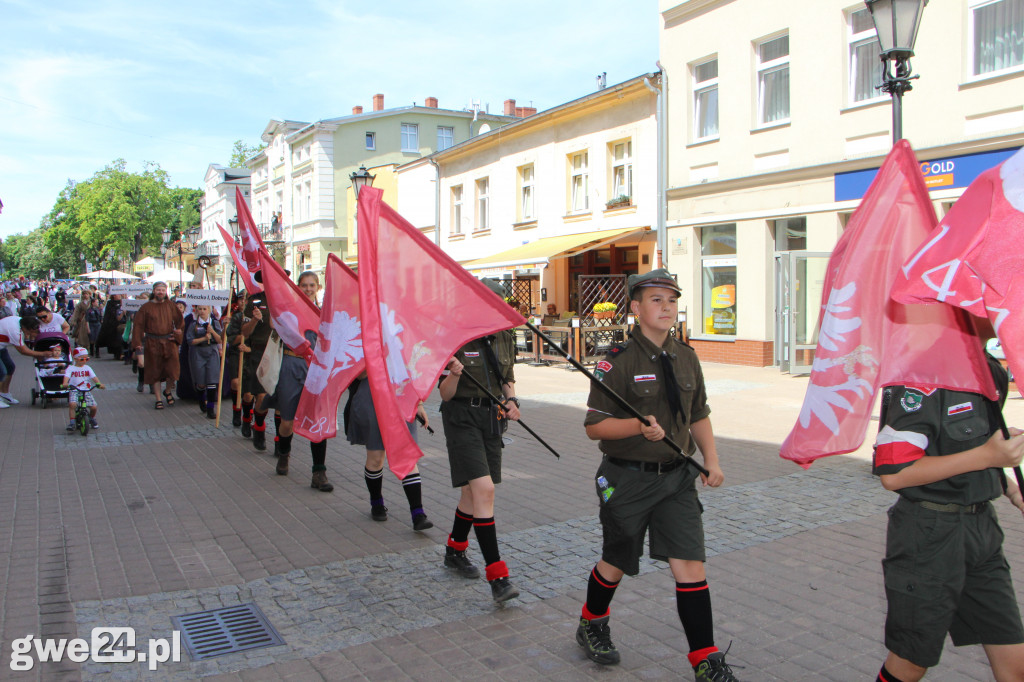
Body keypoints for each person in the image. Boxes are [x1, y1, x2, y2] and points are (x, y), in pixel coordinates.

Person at [574, 268, 737, 681]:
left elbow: (698, 414)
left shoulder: (686, 356)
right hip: (627, 478)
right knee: (616, 560)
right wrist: (636, 425)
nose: (666, 308)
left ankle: (705, 659)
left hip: (677, 477)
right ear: (635, 308)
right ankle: (592, 622)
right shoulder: (617, 363)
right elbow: (594, 427)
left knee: (690, 565)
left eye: (671, 300)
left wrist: (712, 460)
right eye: (656, 300)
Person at [872, 342, 1024, 682]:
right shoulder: (920, 373)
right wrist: (988, 457)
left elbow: (979, 443)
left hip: (982, 528)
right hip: (928, 535)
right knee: (910, 662)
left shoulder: (989, 367)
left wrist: (1010, 487)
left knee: (1016, 663)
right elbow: (894, 474)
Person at [437, 277, 522, 603]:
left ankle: (454, 551)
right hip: (461, 419)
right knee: (484, 489)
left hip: (491, 419)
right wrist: (455, 373)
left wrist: (512, 401)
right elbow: (444, 394)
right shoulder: (455, 338)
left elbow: (508, 377)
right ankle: (498, 577)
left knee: (472, 494)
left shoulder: (504, 335)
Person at [264, 271, 334, 492]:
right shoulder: (288, 310)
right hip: (291, 364)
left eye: (312, 285)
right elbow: (274, 324)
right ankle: (284, 454)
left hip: (316, 370)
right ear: (298, 287)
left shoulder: (325, 313)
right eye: (304, 285)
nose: (308, 289)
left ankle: (318, 472)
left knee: (317, 421)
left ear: (318, 287)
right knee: (287, 422)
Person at [345, 375, 433, 530]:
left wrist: (419, 403)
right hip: (371, 394)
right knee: (376, 457)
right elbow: (355, 373)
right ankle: (376, 502)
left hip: (401, 395)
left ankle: (418, 513)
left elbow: (410, 367)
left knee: (407, 456)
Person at [131, 282, 184, 410]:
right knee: (155, 371)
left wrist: (177, 334)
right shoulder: (146, 307)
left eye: (163, 290)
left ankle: (167, 391)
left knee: (173, 370)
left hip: (169, 342)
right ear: (154, 291)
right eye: (158, 290)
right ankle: (158, 399)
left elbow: (180, 322)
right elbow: (138, 325)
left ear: (166, 291)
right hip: (152, 342)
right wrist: (137, 343)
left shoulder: (171, 306)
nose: (160, 292)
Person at [0, 315, 63, 408]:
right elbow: (23, 351)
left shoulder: (20, 321)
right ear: (27, 329)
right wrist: (42, 354)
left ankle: (4, 393)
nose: (33, 334)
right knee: (2, 372)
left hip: (1, 346)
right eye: (32, 332)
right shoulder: (15, 331)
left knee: (10, 367)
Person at [239, 290, 273, 449]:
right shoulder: (255, 301)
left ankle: (281, 442)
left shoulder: (290, 297)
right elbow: (244, 332)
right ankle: (254, 423)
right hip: (257, 353)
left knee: (273, 397)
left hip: (280, 352)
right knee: (256, 395)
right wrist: (254, 319)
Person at [186, 304, 223, 419]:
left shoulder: (214, 322)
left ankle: (211, 408)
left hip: (211, 352)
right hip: (198, 352)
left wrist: (212, 332)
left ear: (209, 310)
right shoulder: (193, 324)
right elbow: (190, 340)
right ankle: (202, 400)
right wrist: (203, 338)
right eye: (200, 309)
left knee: (212, 381)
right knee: (201, 382)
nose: (202, 311)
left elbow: (220, 339)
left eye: (204, 309)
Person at [61, 346, 105, 431]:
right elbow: (66, 377)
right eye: (82, 359)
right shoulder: (71, 368)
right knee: (72, 404)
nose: (84, 361)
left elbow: (94, 378)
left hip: (86, 390)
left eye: (86, 359)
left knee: (94, 407)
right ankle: (72, 422)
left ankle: (91, 418)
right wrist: (65, 384)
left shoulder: (87, 368)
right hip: (75, 390)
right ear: (75, 358)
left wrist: (99, 384)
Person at [224, 290, 247, 427]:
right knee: (236, 383)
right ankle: (236, 409)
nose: (243, 301)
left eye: (246, 299)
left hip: (250, 353)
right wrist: (244, 333)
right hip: (235, 352)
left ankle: (247, 414)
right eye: (241, 299)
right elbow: (230, 339)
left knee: (249, 391)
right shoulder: (235, 317)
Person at [97, 294, 125, 360]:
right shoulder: (110, 303)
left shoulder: (123, 302)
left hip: (122, 324)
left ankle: (120, 354)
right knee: (115, 341)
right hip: (112, 325)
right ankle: (116, 354)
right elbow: (109, 313)